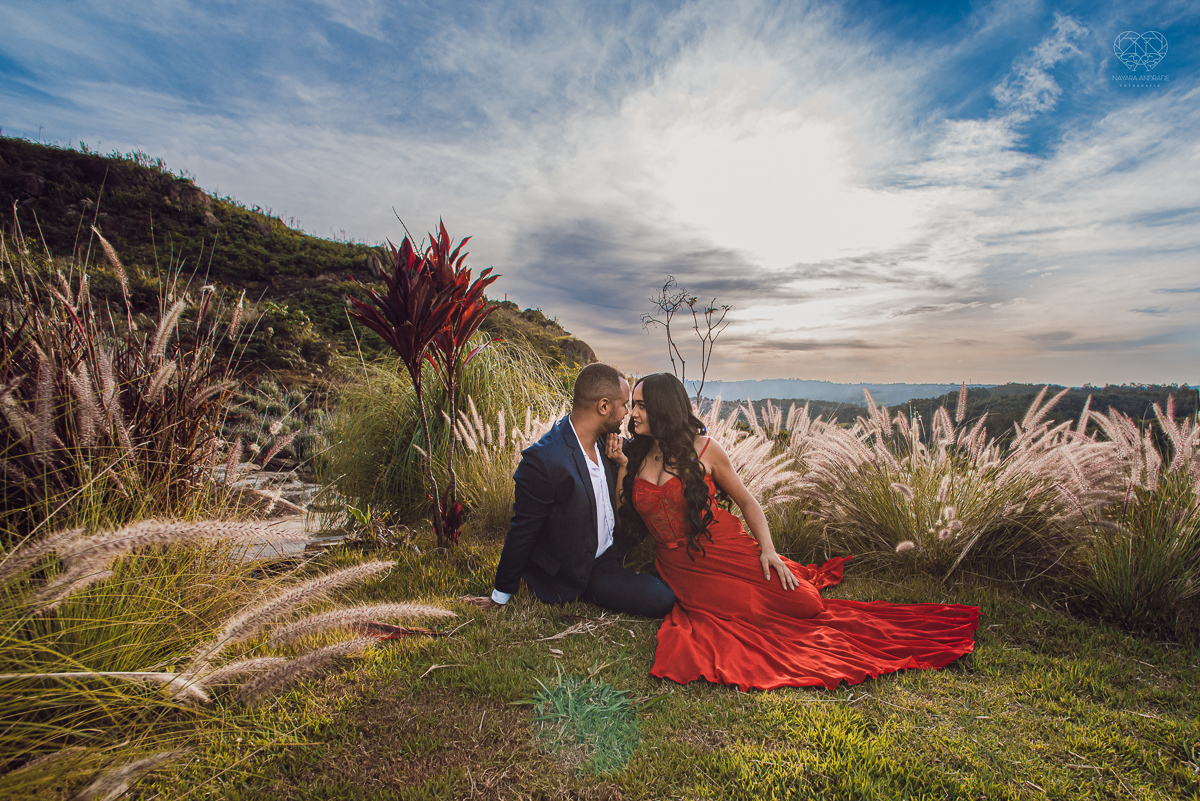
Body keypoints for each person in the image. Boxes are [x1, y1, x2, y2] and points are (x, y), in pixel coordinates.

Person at [616, 372, 979, 691]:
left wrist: (768, 550)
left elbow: (747, 502)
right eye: (633, 404)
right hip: (680, 567)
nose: (634, 413)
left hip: (722, 548)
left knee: (807, 604)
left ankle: (783, 575)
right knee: (746, 615)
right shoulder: (635, 454)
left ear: (663, 408)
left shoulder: (707, 450)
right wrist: (620, 464)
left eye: (642, 405)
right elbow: (623, 509)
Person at [461, 364, 675, 617]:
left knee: (675, 582)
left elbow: (650, 448)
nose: (627, 413)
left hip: (614, 549)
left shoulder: (607, 442)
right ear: (603, 406)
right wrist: (500, 595)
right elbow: (522, 531)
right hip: (584, 568)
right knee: (661, 598)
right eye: (624, 404)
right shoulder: (545, 460)